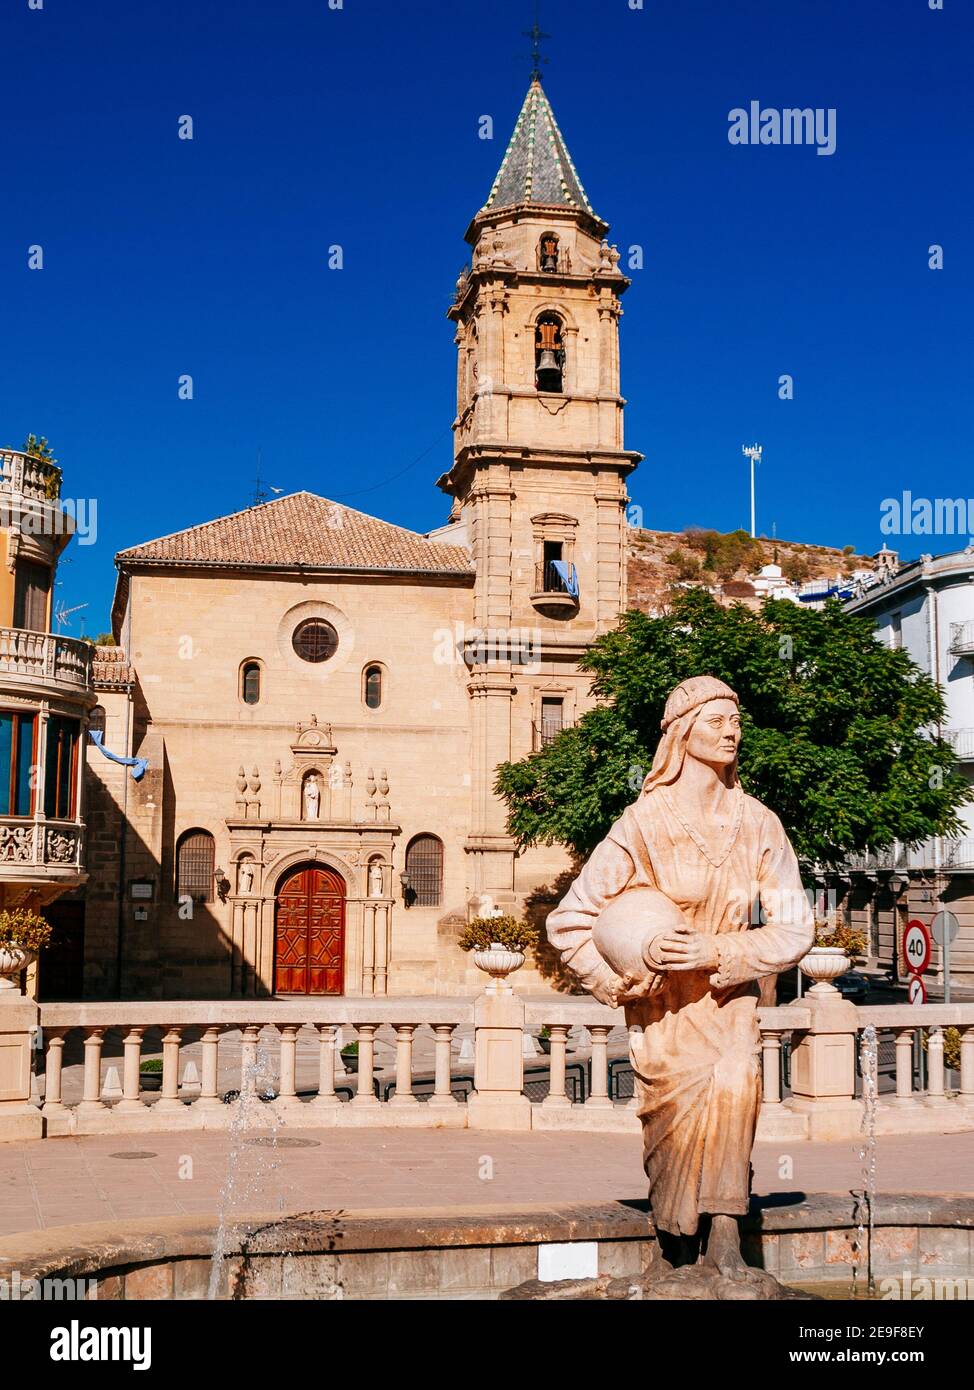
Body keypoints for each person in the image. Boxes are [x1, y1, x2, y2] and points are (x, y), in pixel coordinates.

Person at [546, 675, 814, 1274]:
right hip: (664, 1013)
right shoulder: (642, 823)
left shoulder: (760, 823)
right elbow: (570, 921)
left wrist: (718, 951)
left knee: (736, 1085)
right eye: (716, 720)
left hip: (729, 1002)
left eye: (735, 721)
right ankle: (673, 1246)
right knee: (675, 1128)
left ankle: (725, 1240)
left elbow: (797, 929)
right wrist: (619, 977)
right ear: (682, 732)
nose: (731, 731)